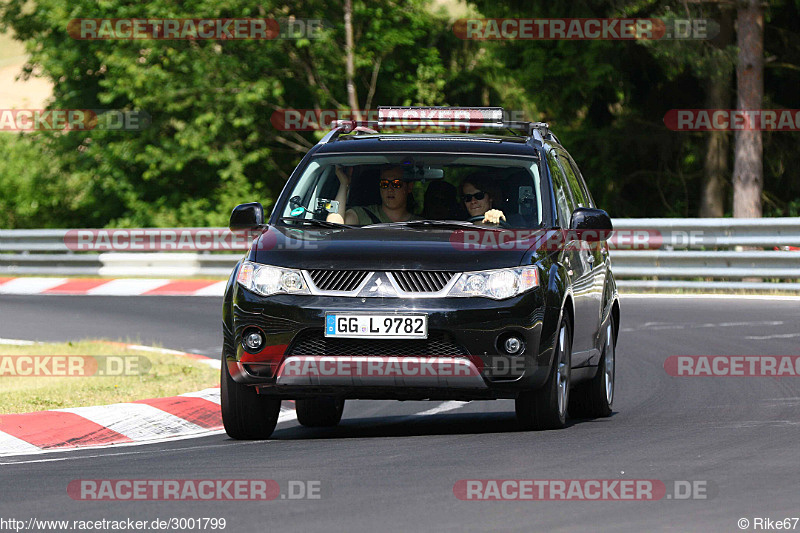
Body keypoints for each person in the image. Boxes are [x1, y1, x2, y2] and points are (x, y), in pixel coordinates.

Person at [326, 165, 420, 225]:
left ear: (409, 187)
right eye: (384, 184)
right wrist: (344, 184)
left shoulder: (421, 225)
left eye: (396, 184)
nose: (390, 189)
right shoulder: (362, 214)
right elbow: (333, 228)